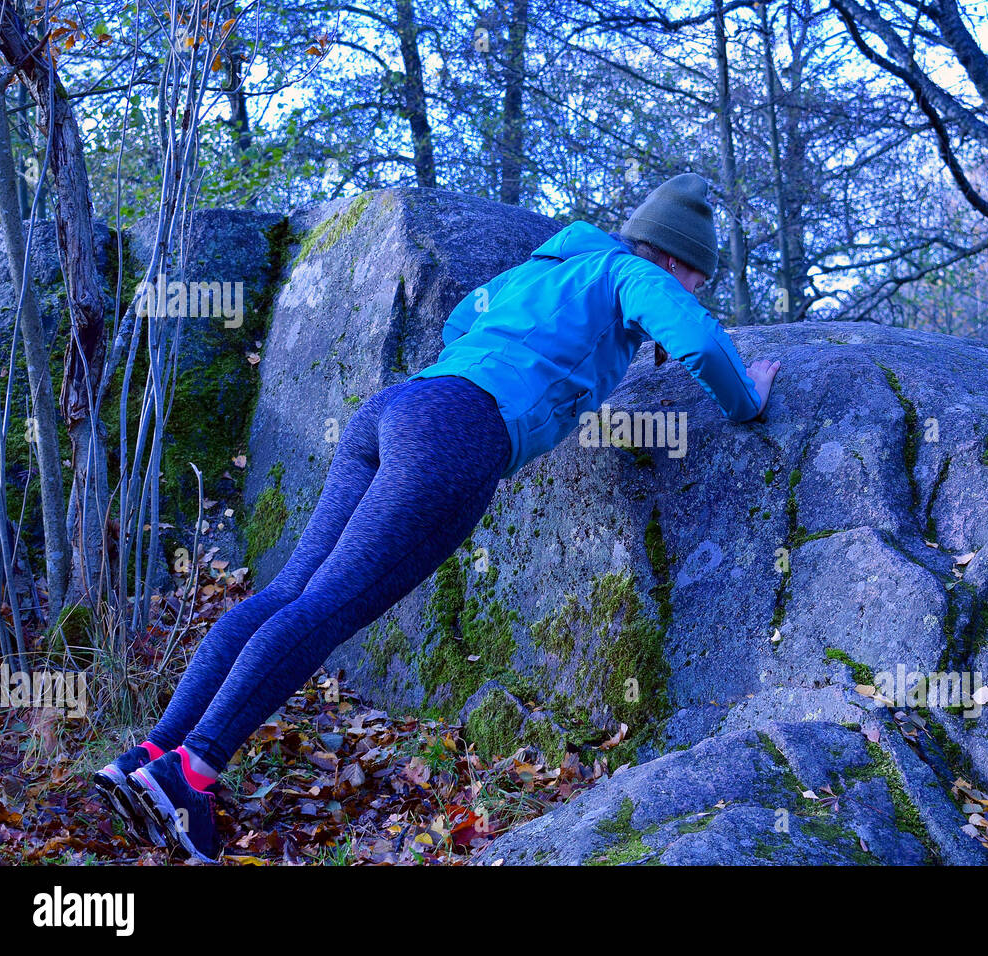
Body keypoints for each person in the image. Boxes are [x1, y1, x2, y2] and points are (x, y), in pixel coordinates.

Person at [92, 172, 782, 862]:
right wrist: (748, 397)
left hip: (397, 409)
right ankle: (188, 773)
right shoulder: (630, 272)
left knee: (288, 592)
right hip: (458, 437)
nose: (696, 292)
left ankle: (151, 753)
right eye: (698, 278)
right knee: (329, 607)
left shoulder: (546, 269)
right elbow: (695, 339)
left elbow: (460, 322)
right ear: (673, 258)